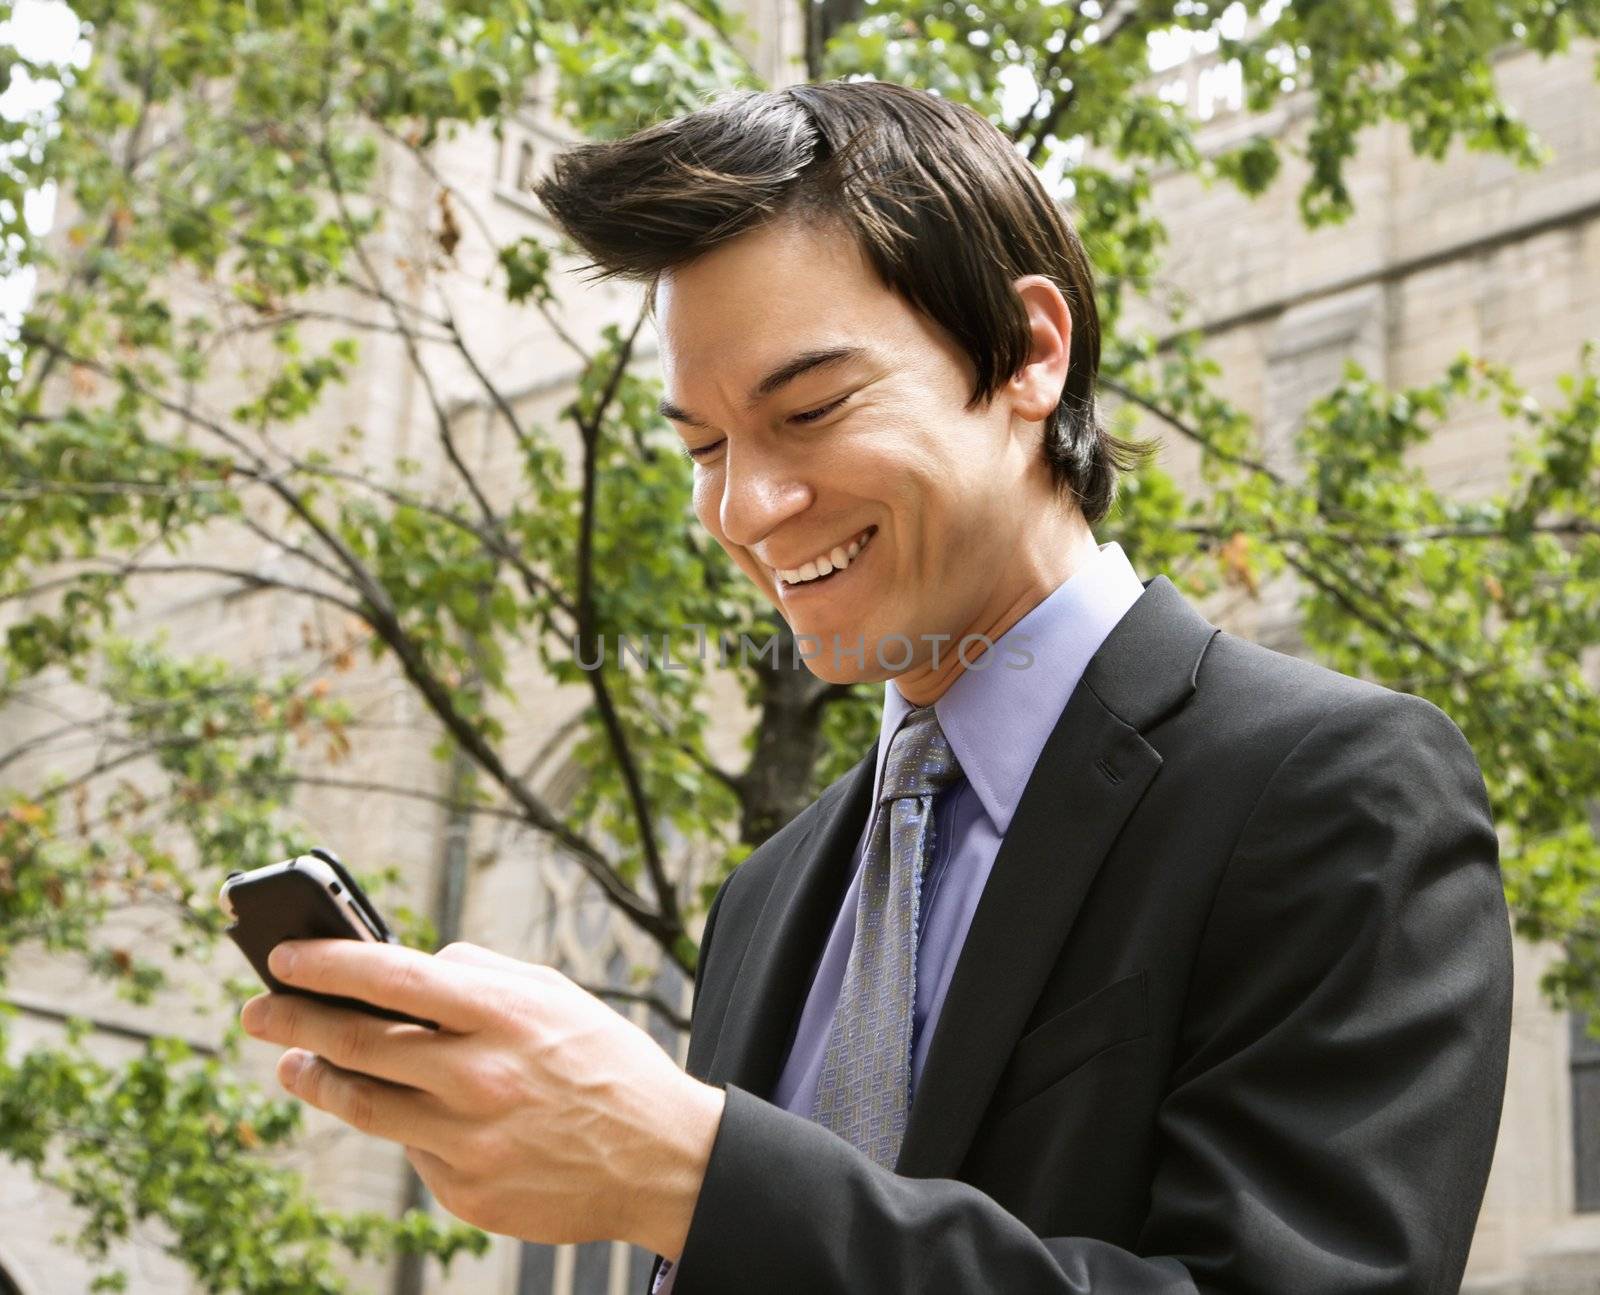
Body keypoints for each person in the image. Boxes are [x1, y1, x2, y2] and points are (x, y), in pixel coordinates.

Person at [239, 80, 1512, 1295]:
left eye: (810, 409)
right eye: (701, 446)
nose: (744, 507)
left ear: (1028, 351)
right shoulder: (770, 892)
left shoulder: (1333, 787)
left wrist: (687, 1168)